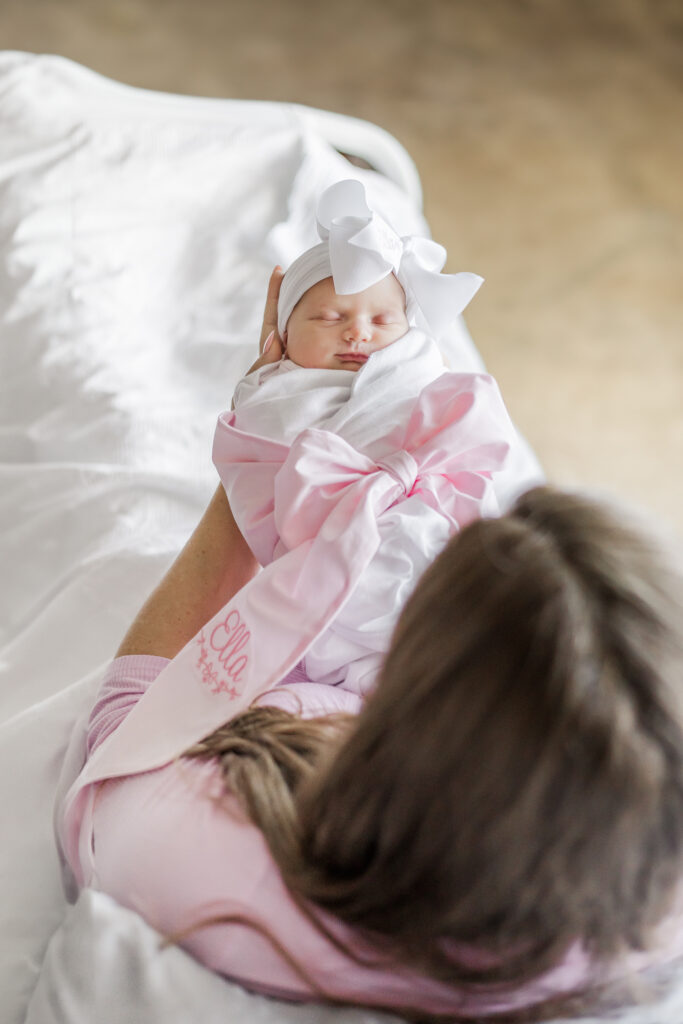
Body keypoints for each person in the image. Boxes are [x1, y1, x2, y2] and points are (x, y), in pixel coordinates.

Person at [217, 179, 527, 696]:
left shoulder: (413, 366)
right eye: (331, 317)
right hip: (335, 532)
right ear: (285, 332)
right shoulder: (277, 396)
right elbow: (255, 461)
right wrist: (257, 392)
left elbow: (452, 424)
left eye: (382, 320)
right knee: (349, 624)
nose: (357, 333)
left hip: (428, 508)